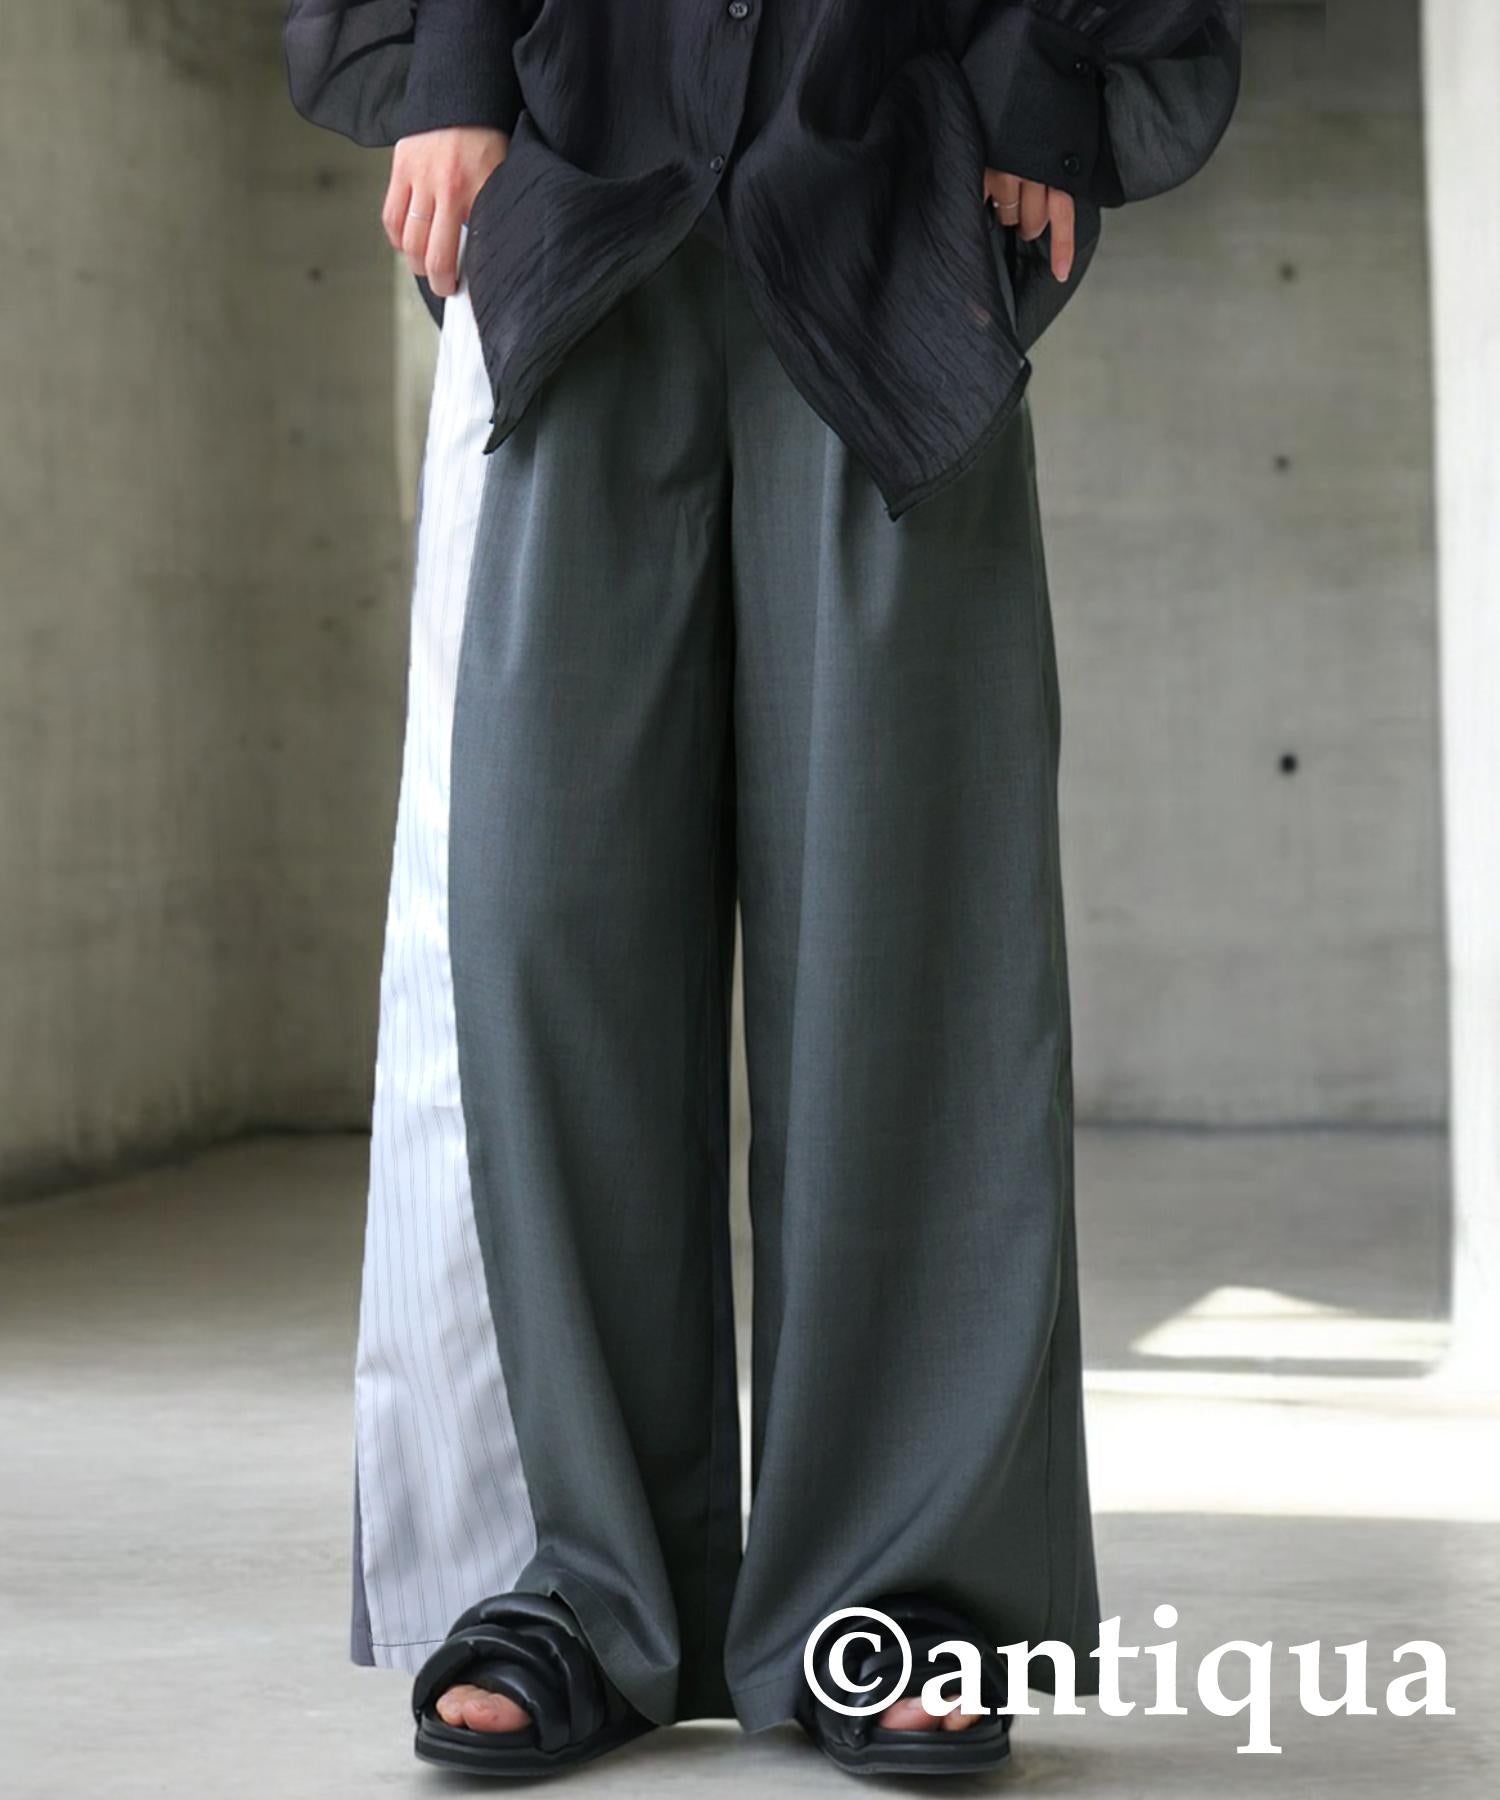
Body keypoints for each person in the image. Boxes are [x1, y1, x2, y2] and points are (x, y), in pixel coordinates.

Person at [284, 0, 1242, 1779]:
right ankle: (579, 1585)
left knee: (916, 945)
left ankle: (896, 1588)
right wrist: (451, 67)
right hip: (570, 166)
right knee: (542, 937)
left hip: (894, 187)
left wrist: (1047, 74)